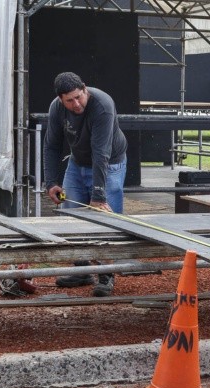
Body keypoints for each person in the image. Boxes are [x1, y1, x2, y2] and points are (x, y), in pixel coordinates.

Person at [43, 72, 128, 296]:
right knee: (71, 215)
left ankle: (106, 274)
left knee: (106, 220)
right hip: (77, 162)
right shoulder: (56, 108)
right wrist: (51, 182)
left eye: (79, 97)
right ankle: (81, 270)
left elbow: (101, 154)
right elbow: (51, 145)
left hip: (109, 164)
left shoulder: (102, 105)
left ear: (85, 89)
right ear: (60, 99)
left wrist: (98, 197)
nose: (76, 103)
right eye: (69, 100)